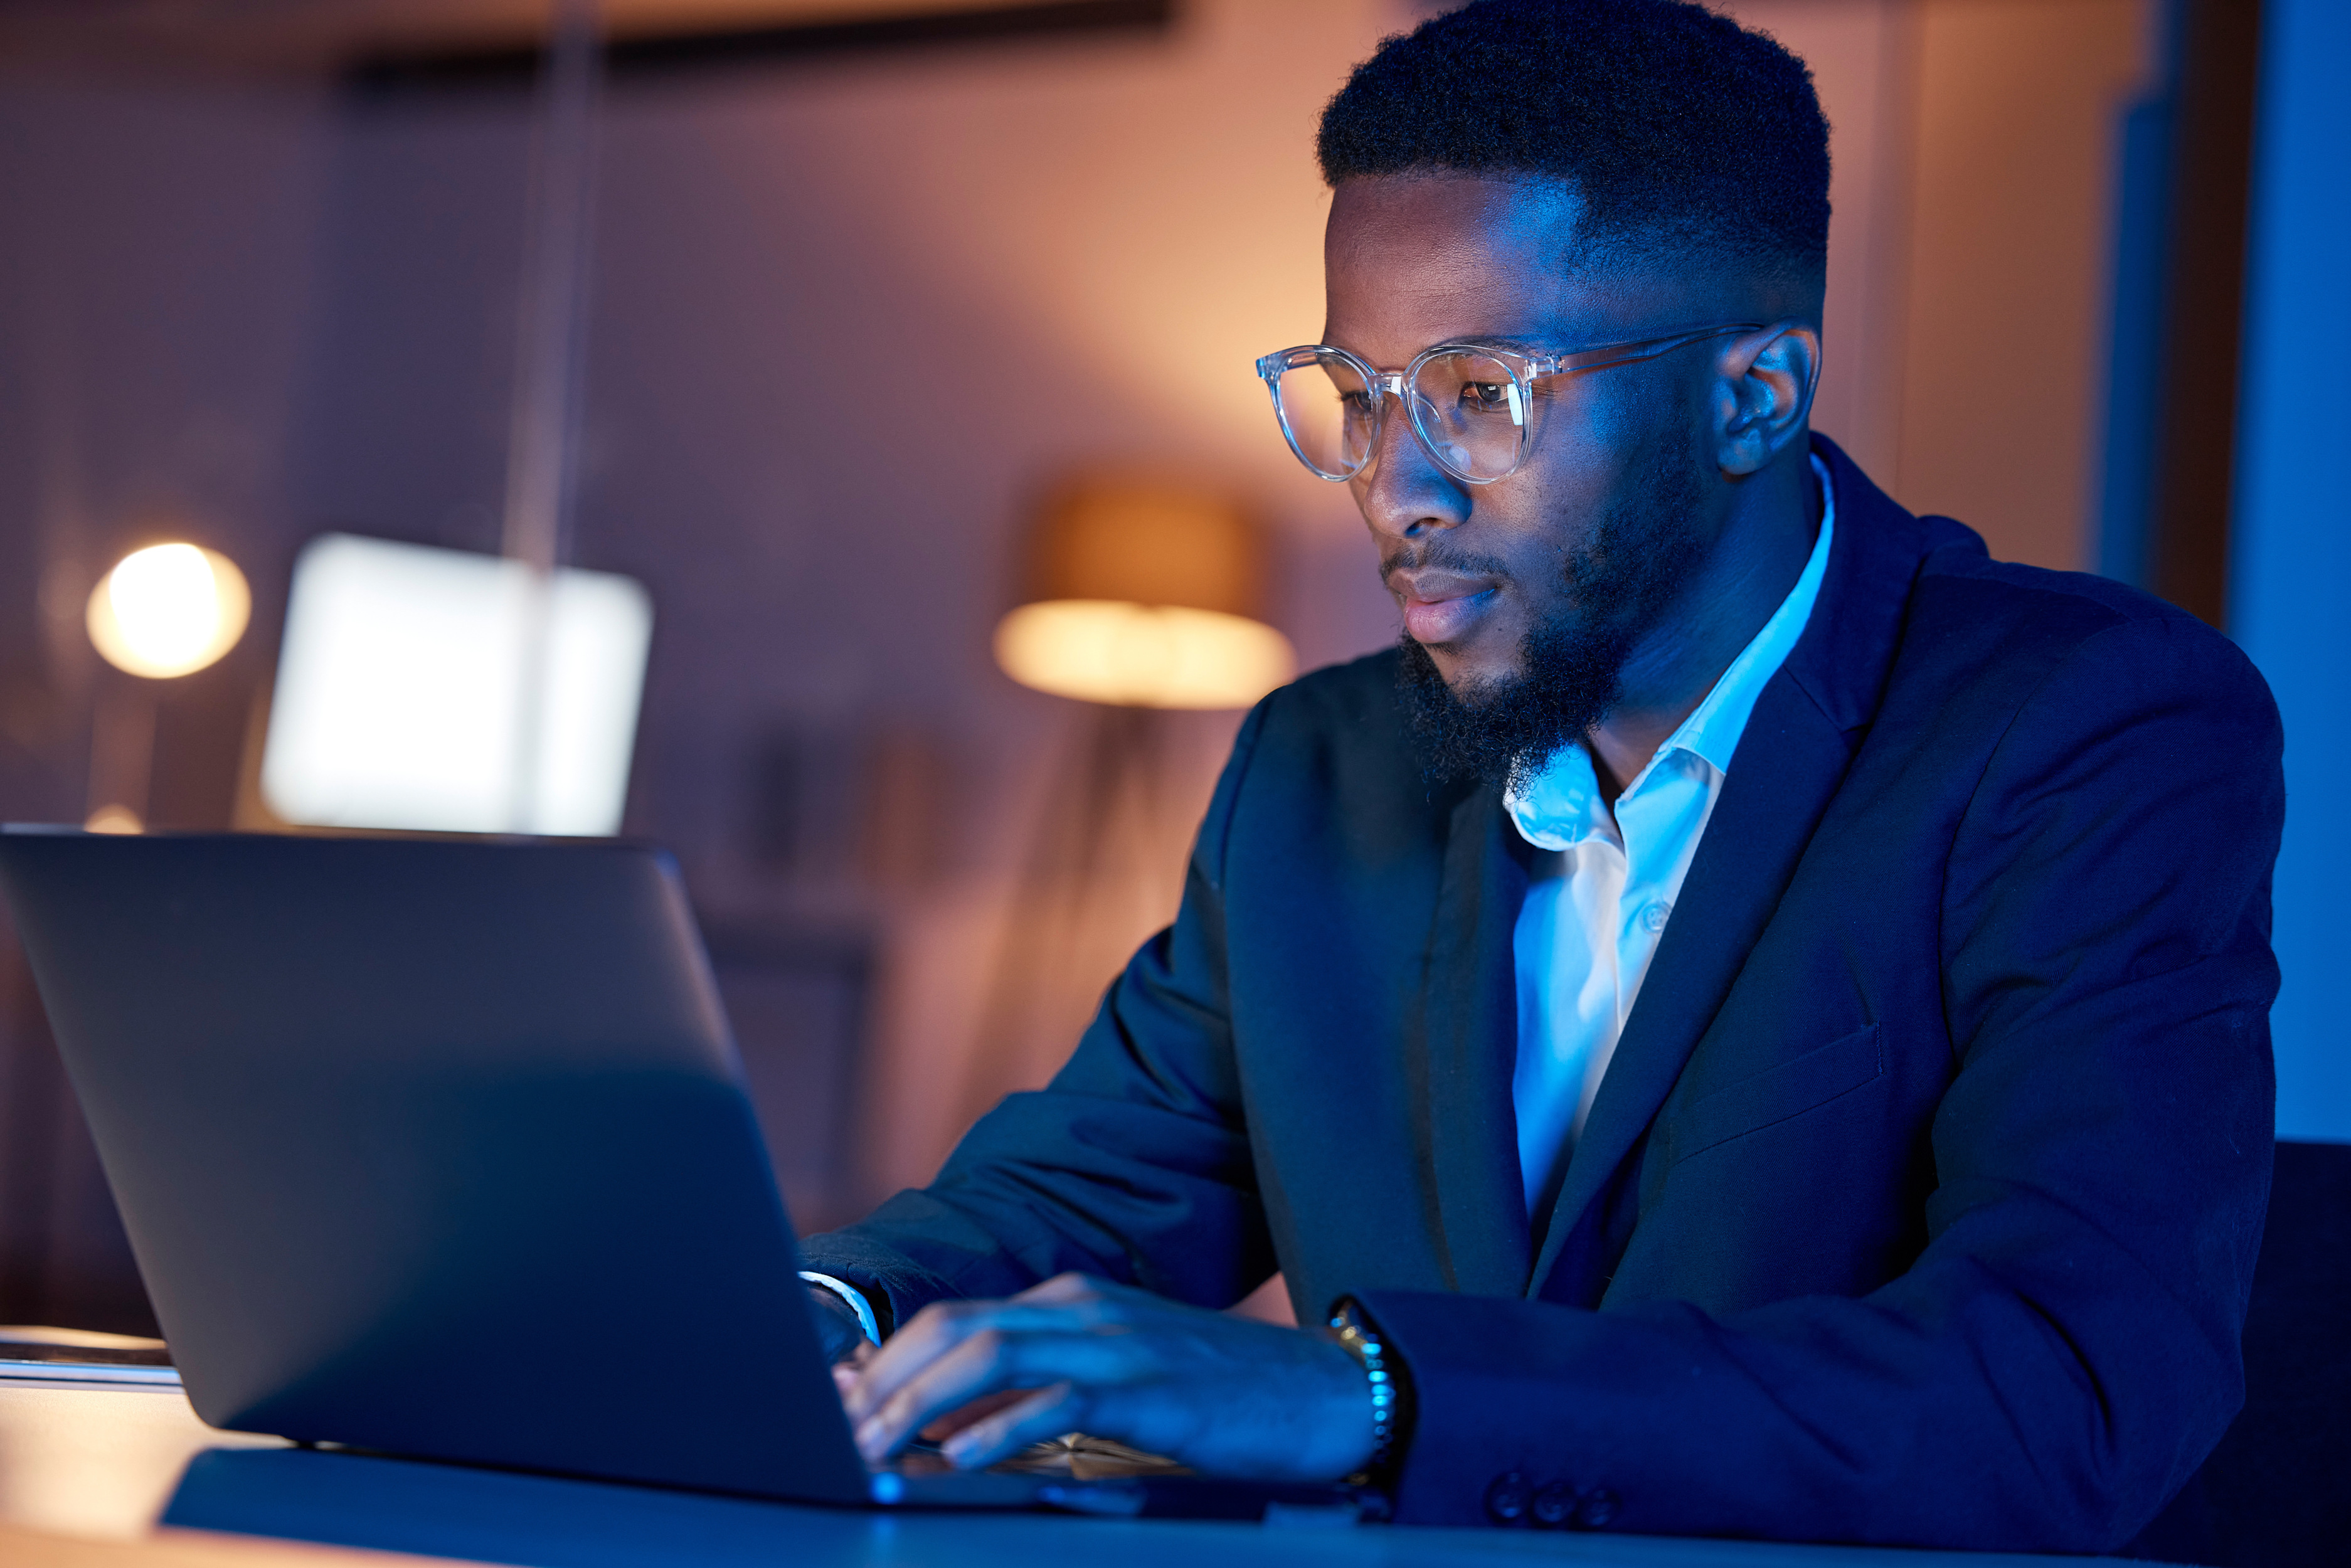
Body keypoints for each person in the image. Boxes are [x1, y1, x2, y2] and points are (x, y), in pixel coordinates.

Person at [798, 0, 2283, 1550]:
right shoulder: (1317, 765)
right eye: (1355, 394)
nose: (1392, 487)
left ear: (1752, 395)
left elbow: (2064, 1387)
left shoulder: (2082, 730)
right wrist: (810, 1306)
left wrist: (1370, 1398)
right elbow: (1076, 1196)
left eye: (1478, 394)